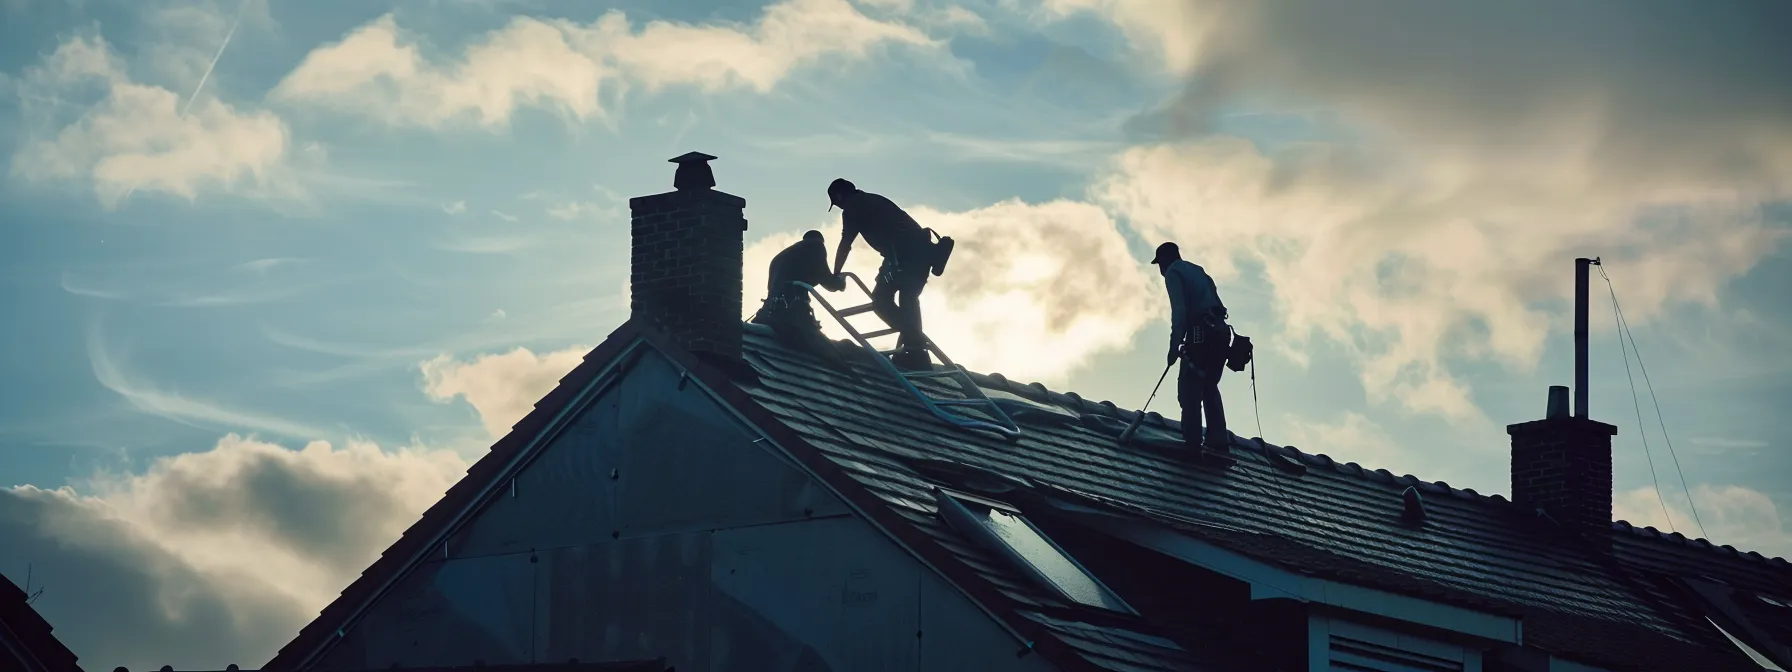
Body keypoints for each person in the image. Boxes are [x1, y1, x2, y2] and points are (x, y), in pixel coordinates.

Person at [828, 178, 941, 370]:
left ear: (839, 197)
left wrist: (835, 274)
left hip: (903, 256)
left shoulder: (853, 207)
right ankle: (915, 349)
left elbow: (846, 243)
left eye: (836, 202)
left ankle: (915, 346)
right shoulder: (875, 199)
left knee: (881, 301)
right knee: (908, 299)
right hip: (920, 253)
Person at [1151, 241, 1231, 454]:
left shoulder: (1173, 273)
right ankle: (1218, 439)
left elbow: (1180, 312)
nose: (1160, 269)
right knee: (1209, 385)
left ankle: (1192, 442)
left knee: (1190, 387)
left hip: (1200, 333)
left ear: (1165, 260)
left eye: (1159, 264)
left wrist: (1173, 347)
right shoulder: (1199, 271)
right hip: (1221, 333)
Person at [751, 230, 854, 373]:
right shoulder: (815, 247)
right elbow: (827, 281)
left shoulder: (782, 257)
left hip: (770, 311)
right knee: (835, 360)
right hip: (793, 314)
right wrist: (841, 282)